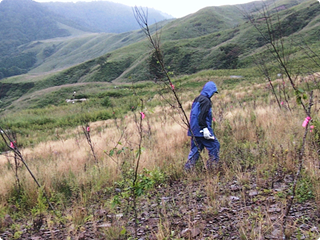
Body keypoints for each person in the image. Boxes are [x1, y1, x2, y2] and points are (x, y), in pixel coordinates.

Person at [185, 81, 220, 170]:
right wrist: (205, 128)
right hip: (202, 130)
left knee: (195, 151)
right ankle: (213, 168)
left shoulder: (197, 99)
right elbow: (202, 116)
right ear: (210, 90)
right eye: (213, 92)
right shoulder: (206, 101)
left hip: (194, 130)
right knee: (214, 146)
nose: (213, 94)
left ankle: (187, 170)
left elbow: (194, 115)